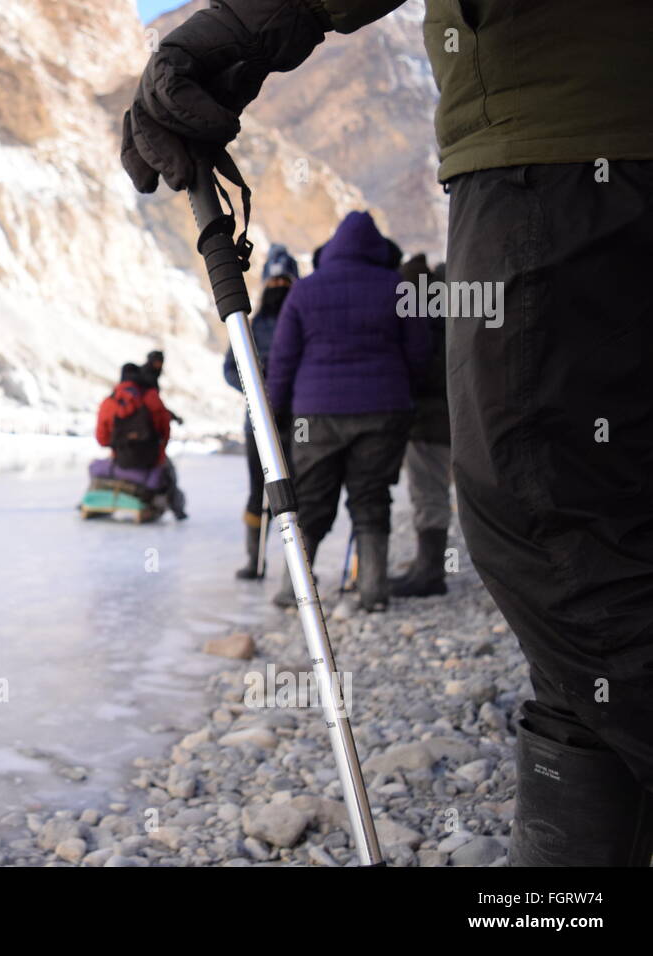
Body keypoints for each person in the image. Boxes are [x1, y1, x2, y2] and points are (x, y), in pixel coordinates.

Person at [121, 0, 653, 866]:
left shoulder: (311, 292)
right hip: (585, 156)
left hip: (554, 144)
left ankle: (299, 584)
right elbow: (421, 344)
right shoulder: (386, 283)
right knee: (599, 549)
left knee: (553, 540)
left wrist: (247, 26)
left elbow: (281, 355)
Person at [259, 211, 429, 611]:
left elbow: (283, 359)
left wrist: (275, 410)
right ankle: (373, 591)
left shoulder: (305, 291)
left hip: (315, 413)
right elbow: (419, 354)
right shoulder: (399, 287)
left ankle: (292, 588)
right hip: (383, 410)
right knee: (371, 498)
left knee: (312, 500)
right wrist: (406, 392)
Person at [224, 243, 298, 578]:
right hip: (259, 422)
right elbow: (229, 368)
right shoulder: (249, 326)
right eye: (275, 283)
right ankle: (254, 562)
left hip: (297, 420)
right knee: (259, 493)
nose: (279, 289)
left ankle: (295, 570)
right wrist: (254, 385)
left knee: (295, 492)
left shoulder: (303, 318)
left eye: (285, 284)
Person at [390, 255, 452, 597]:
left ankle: (430, 574)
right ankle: (426, 568)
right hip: (446, 420)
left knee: (429, 495)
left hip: (429, 423)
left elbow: (425, 372)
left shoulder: (426, 322)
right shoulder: (453, 315)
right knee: (430, 494)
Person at [95, 363, 186, 518]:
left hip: (120, 462)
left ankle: (95, 503)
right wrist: (159, 455)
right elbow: (164, 433)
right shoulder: (152, 398)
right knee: (169, 474)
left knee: (94, 467)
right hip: (150, 463)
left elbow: (102, 439)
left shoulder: (110, 402)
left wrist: (120, 446)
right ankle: (177, 509)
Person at [139, 351, 188, 518]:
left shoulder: (141, 380)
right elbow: (156, 408)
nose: (159, 365)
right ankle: (177, 510)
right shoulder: (148, 381)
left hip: (142, 441)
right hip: (148, 442)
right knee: (169, 474)